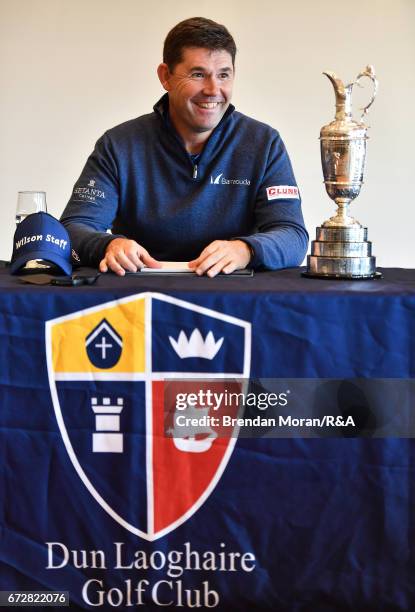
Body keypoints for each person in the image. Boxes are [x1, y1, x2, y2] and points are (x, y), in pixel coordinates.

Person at [61, 17, 308, 277]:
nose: (213, 90)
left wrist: (246, 250)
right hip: (139, 295)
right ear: (166, 76)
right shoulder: (119, 145)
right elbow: (74, 228)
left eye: (224, 75)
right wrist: (109, 245)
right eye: (198, 75)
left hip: (235, 297)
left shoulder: (263, 144)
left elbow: (292, 235)